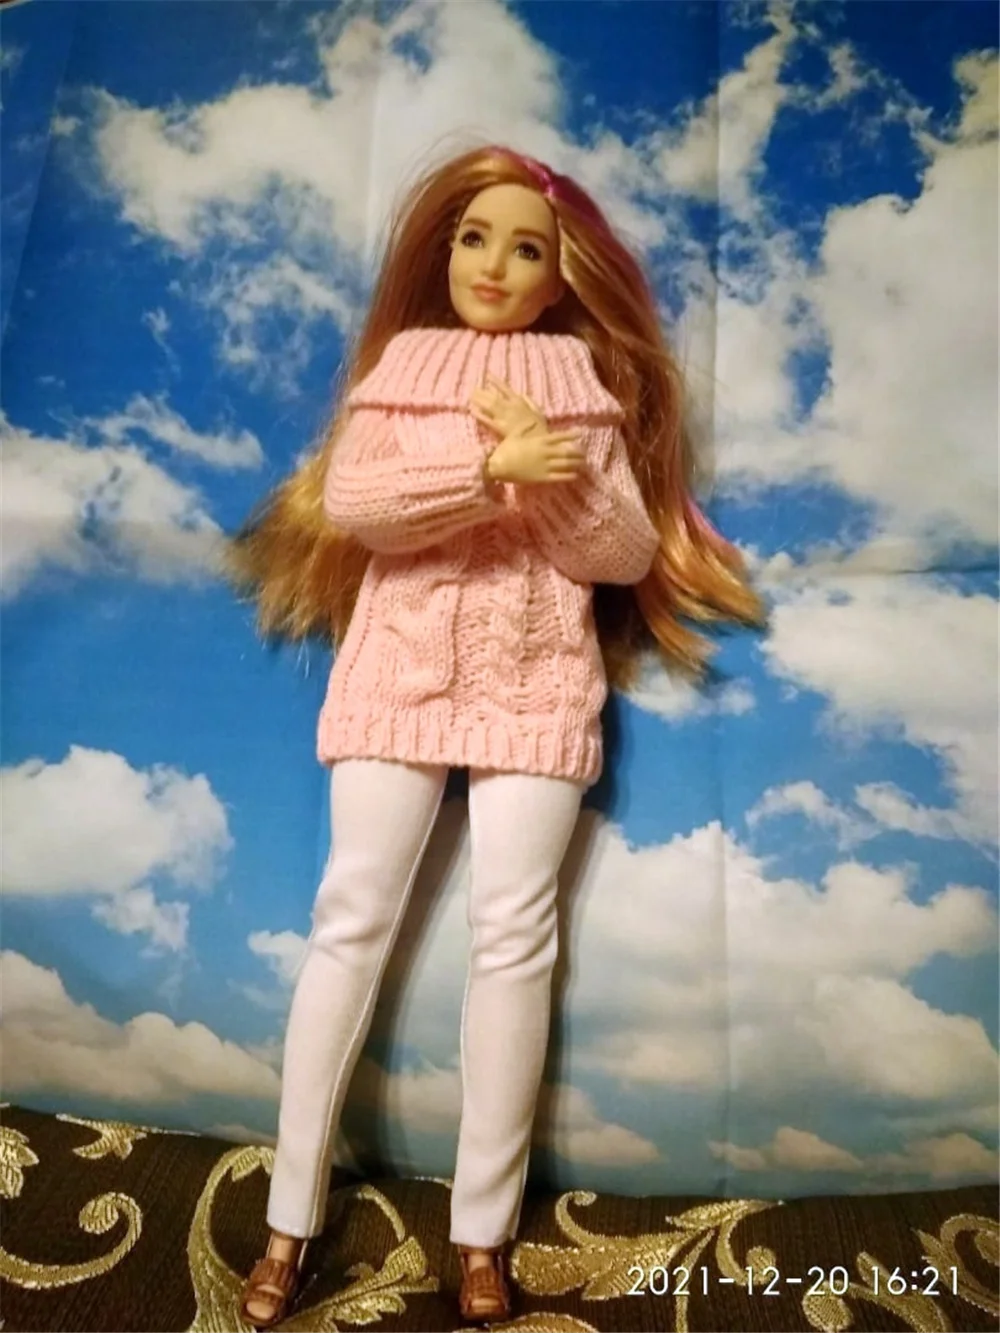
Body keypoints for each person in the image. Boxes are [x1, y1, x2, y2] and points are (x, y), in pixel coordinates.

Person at [227, 144, 763, 1327]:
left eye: (527, 249)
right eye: (476, 237)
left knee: (516, 937)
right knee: (350, 919)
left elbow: (619, 552)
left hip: (535, 682)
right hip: (399, 672)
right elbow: (362, 504)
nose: (495, 265)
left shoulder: (579, 384)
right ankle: (287, 1217)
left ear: (561, 277)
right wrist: (487, 466)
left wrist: (551, 472)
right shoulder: (402, 366)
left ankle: (482, 1233)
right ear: (442, 250)